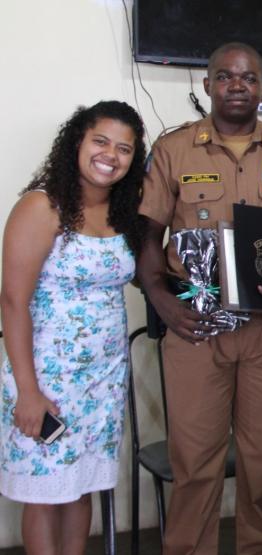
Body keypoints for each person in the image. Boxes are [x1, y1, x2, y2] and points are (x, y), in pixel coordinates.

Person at [137, 42, 262, 554]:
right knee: (195, 464)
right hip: (196, 332)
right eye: (225, 76)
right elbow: (146, 233)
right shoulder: (174, 148)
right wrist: (159, 298)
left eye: (248, 78)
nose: (237, 85)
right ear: (207, 86)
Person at [0, 100, 146, 553]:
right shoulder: (42, 207)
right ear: (77, 142)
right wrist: (28, 389)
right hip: (46, 378)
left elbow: (151, 277)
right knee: (43, 495)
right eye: (101, 141)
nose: (111, 155)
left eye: (124, 148)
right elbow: (12, 302)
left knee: (80, 486)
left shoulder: (124, 215)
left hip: (101, 380)